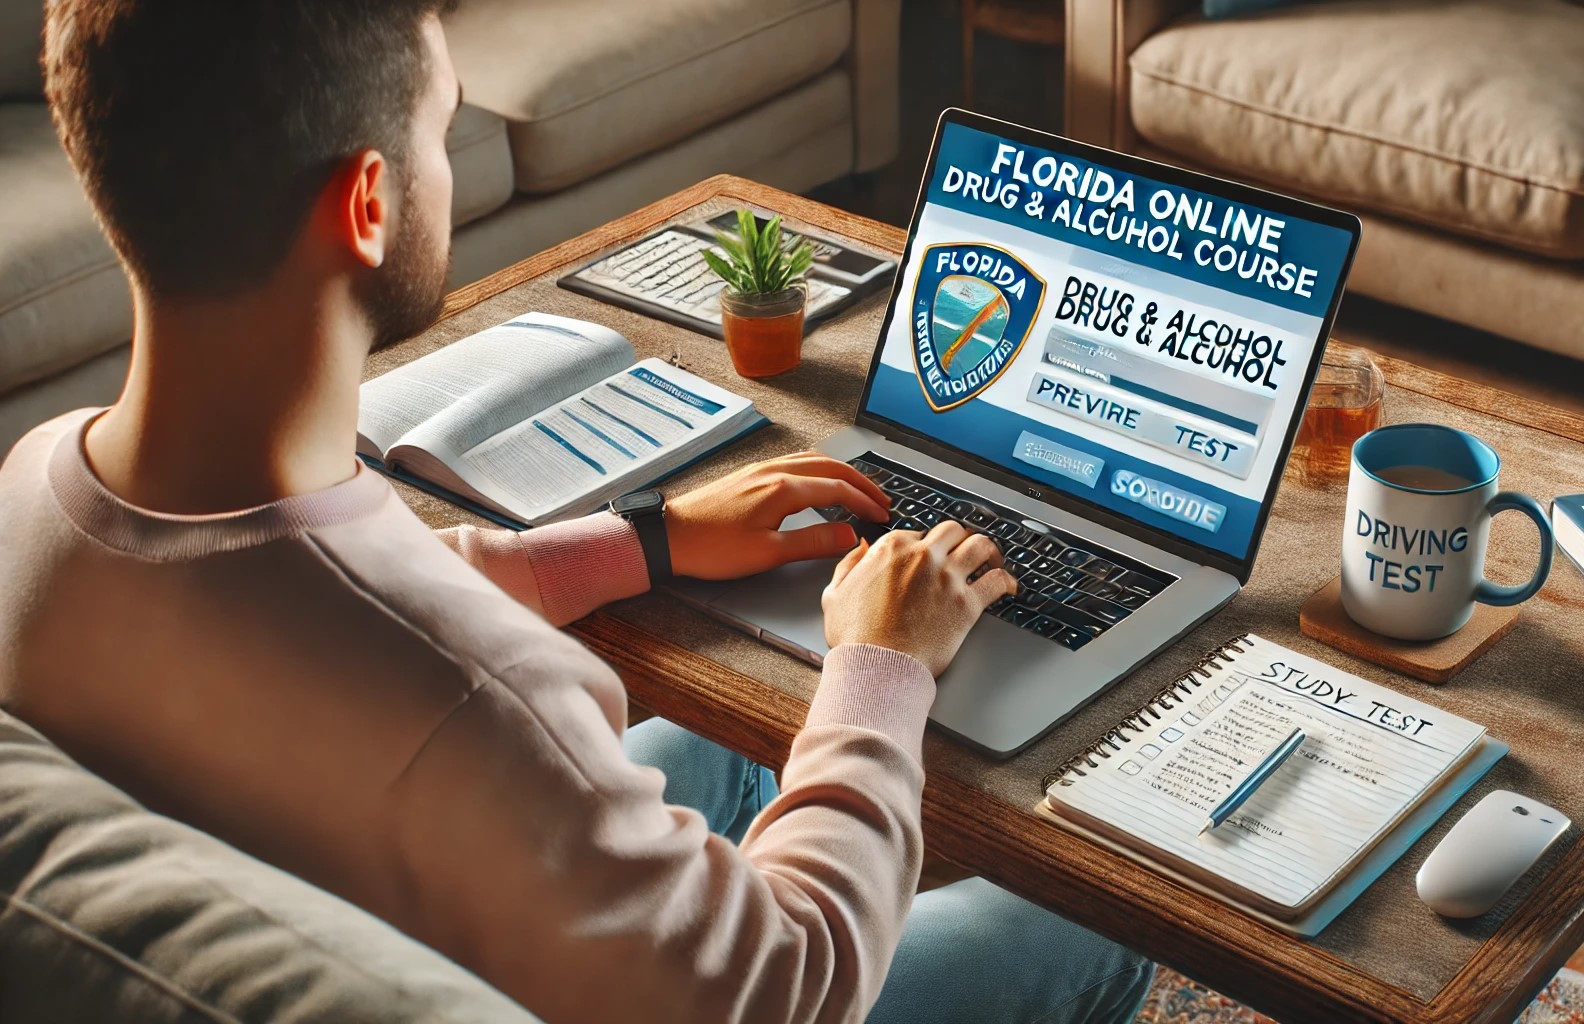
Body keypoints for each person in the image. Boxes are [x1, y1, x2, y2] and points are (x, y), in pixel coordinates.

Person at [0, 2, 1155, 1022]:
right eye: (439, 128)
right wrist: (882, 662)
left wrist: (647, 540)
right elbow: (793, 980)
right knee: (1094, 913)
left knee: (721, 744)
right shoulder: (481, 701)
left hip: (337, 892)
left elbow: (303, 596)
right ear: (365, 201)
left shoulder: (35, 491)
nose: (443, 161)